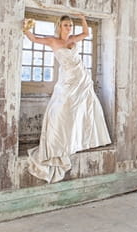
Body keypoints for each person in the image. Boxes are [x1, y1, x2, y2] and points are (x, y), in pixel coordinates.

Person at [23, 14, 111, 183]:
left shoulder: (73, 38)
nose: (69, 28)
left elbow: (86, 33)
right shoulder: (53, 41)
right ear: (59, 26)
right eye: (66, 25)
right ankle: (57, 144)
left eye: (70, 25)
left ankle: (75, 141)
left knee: (84, 110)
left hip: (81, 78)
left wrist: (82, 18)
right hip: (67, 80)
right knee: (61, 110)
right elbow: (33, 39)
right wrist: (26, 27)